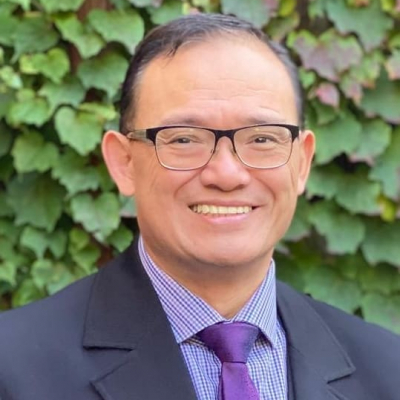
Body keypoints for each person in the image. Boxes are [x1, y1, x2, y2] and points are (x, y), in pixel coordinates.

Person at [0, 13, 399, 400]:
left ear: (302, 163)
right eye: (184, 139)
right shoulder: (13, 368)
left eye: (262, 139)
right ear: (124, 163)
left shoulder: (387, 370)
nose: (226, 174)